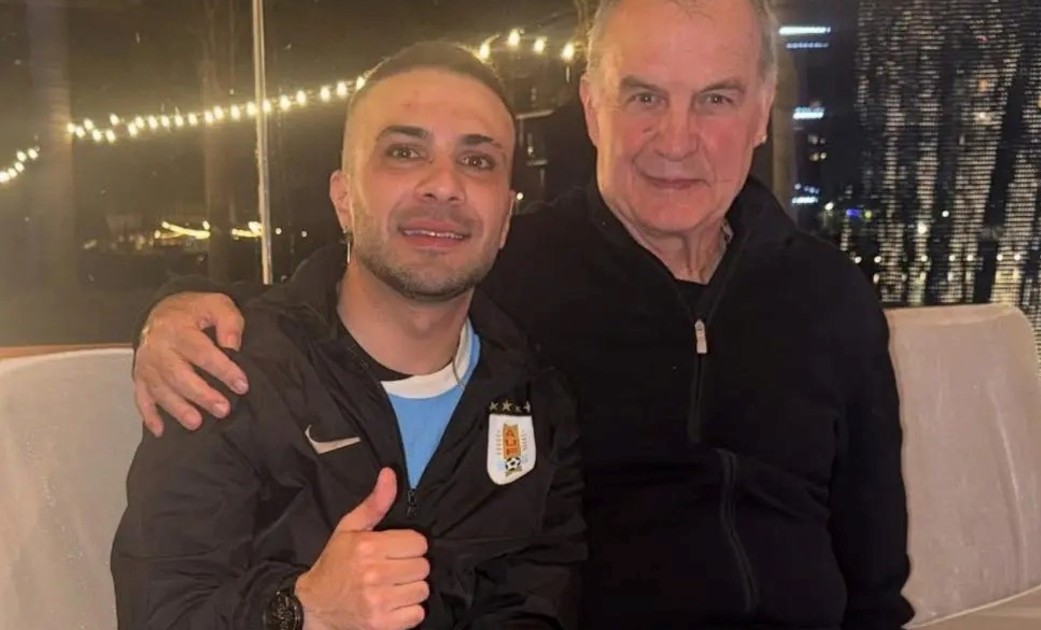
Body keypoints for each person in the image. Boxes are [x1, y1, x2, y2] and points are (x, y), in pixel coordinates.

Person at [131, 0, 914, 627]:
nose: (677, 139)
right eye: (644, 96)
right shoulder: (511, 269)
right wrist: (174, 311)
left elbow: (875, 569)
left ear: (762, 111)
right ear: (592, 107)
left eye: (716, 99)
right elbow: (374, 286)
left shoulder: (831, 296)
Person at [111, 42, 585, 630]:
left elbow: (539, 604)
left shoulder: (535, 401)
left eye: (478, 161)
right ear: (344, 199)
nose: (444, 185)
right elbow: (160, 611)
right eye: (405, 153)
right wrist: (302, 609)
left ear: (506, 217)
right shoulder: (227, 373)